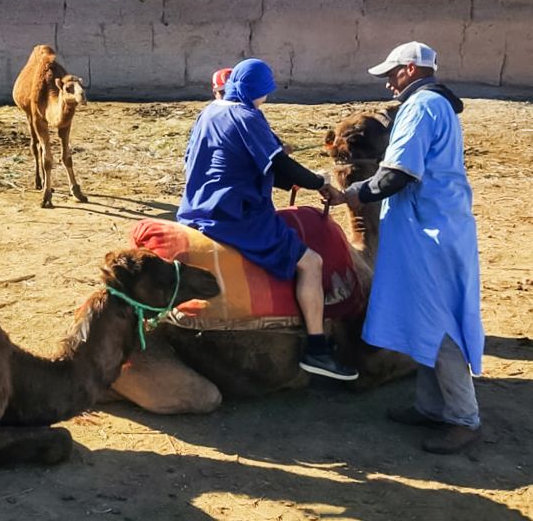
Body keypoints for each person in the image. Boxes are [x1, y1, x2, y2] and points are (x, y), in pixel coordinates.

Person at [331, 41, 483, 454]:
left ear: (411, 69)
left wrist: (353, 193)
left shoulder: (419, 108)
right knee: (425, 318)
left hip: (429, 230)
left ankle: (463, 417)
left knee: (441, 321)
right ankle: (432, 406)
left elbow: (398, 172)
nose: (388, 84)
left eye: (392, 74)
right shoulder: (438, 106)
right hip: (434, 224)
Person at [177, 58, 358, 380]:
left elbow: (243, 162)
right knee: (311, 262)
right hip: (233, 215)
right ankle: (317, 349)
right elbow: (281, 169)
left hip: (195, 208)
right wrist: (321, 184)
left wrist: (283, 164)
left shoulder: (210, 112)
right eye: (265, 92)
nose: (265, 99)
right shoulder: (248, 116)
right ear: (258, 90)